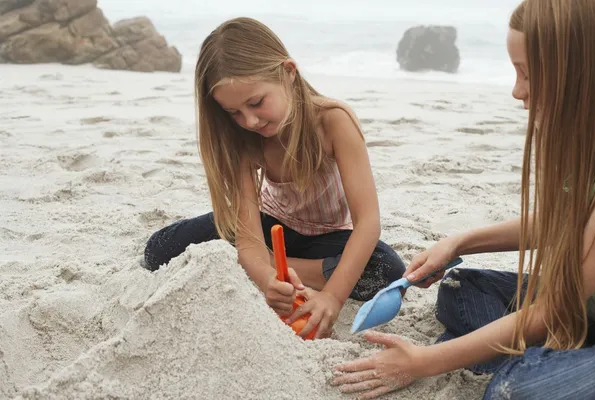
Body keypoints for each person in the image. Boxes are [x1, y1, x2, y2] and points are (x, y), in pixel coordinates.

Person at [331, 0, 595, 398]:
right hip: (585, 312)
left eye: (527, 74)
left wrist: (424, 362)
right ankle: (548, 361)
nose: (517, 91)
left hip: (574, 310)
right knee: (459, 290)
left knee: (513, 390)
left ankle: (542, 365)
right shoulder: (585, 144)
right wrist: (458, 244)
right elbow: (561, 221)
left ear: (578, 70)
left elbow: (554, 311)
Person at [142, 17, 406, 339]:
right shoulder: (243, 139)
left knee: (388, 271)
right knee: (159, 250)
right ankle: (273, 267)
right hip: (271, 225)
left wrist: (332, 297)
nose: (249, 120)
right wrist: (267, 277)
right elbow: (250, 235)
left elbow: (367, 223)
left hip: (326, 237)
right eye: (234, 112)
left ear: (288, 72)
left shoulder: (334, 122)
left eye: (256, 103)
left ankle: (285, 268)